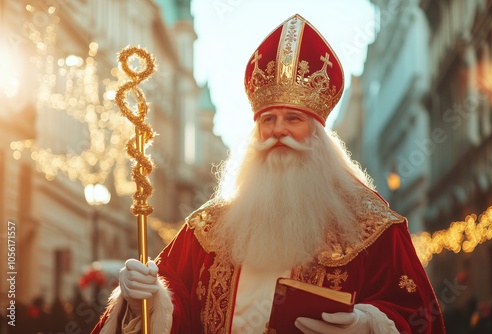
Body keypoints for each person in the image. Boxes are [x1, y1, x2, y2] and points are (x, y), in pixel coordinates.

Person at [92, 13, 445, 333]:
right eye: (268, 120)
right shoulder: (208, 229)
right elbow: (175, 299)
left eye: (293, 119)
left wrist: (367, 325)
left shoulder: (371, 228)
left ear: (319, 136)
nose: (278, 132)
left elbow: (418, 316)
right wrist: (149, 298)